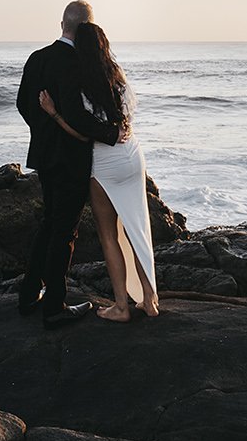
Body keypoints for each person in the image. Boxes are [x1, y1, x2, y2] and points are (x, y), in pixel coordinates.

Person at [39, 20, 159, 321]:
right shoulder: (117, 77)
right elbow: (128, 116)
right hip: (132, 156)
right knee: (137, 228)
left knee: (109, 234)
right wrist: (118, 129)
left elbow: (82, 131)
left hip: (104, 163)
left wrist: (53, 113)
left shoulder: (80, 81)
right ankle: (149, 300)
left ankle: (121, 306)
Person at [15, 0, 121, 329]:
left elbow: (22, 104)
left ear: (62, 23)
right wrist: (109, 133)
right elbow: (78, 115)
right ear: (88, 27)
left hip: (43, 156)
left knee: (49, 224)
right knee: (64, 231)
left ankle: (29, 294)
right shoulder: (76, 63)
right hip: (71, 158)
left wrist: (43, 130)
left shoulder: (37, 58)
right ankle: (55, 307)